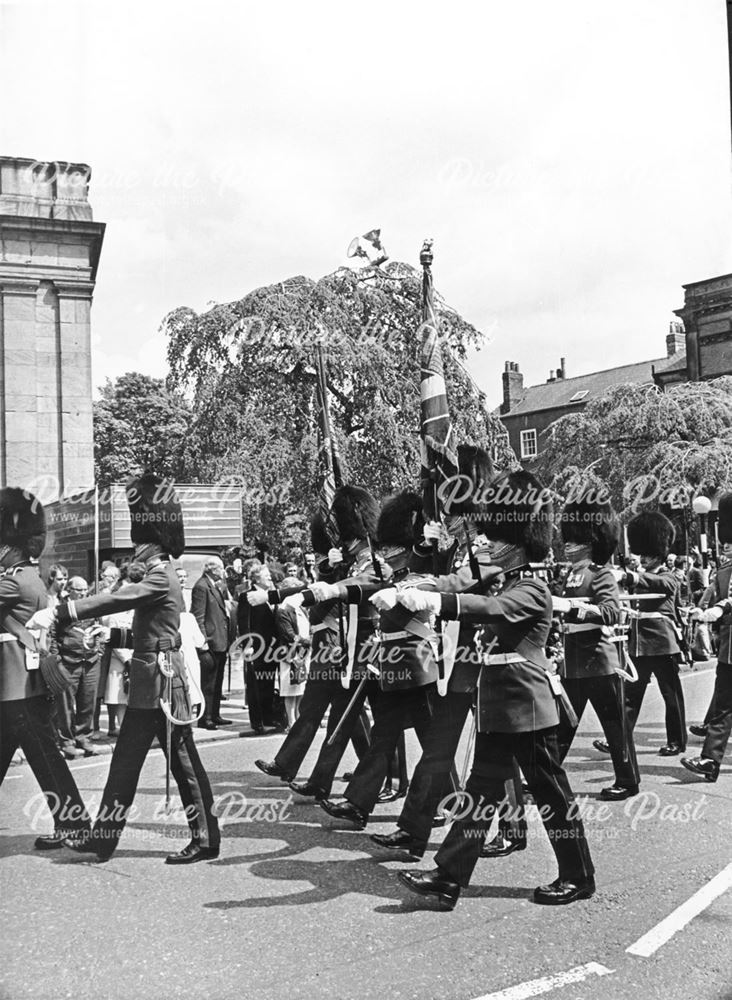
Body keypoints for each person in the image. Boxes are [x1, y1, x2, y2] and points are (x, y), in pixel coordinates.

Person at [397, 469, 596, 910]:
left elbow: (491, 607)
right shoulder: (511, 580)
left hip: (529, 708)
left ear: (520, 542)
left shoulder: (531, 589)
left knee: (551, 793)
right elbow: (479, 598)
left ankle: (579, 876)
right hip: (501, 708)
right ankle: (448, 877)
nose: (492, 546)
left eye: (499, 540)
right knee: (479, 790)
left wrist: (436, 601)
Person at [28, 474, 220, 864]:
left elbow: (117, 600)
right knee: (124, 765)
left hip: (165, 685)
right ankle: (103, 840)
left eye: (141, 540)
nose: (136, 546)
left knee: (183, 762)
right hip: (149, 684)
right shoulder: (157, 573)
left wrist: (62, 612)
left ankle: (206, 838)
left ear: (153, 540)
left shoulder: (160, 575)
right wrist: (111, 639)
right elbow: (146, 634)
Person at [253, 488, 380, 793]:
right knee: (344, 712)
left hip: (344, 641)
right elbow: (313, 584)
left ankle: (371, 770)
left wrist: (332, 568)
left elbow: (327, 591)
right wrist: (327, 565)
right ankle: (327, 777)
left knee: (340, 710)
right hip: (339, 641)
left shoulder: (366, 562)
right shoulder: (344, 560)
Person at [0, 488, 92, 850]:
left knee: (45, 757)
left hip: (17, 686)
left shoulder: (14, 579)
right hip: (16, 685)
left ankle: (76, 825)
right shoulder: (27, 576)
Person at [553, 497, 640, 800]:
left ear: (589, 540)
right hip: (573, 662)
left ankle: (628, 782)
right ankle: (547, 779)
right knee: (562, 723)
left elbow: (611, 613)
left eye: (575, 538)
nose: (567, 544)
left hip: (599, 661)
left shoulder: (600, 573)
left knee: (615, 726)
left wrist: (574, 609)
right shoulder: (569, 574)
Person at [615, 511, 686, 756]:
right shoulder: (641, 577)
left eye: (648, 555)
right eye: (642, 554)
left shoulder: (668, 576)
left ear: (659, 554)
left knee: (670, 695)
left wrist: (631, 576)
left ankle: (677, 741)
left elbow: (662, 586)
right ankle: (620, 738)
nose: (643, 559)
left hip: (662, 642)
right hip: (640, 644)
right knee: (631, 695)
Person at [682, 493, 732, 782]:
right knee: (723, 706)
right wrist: (698, 609)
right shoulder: (724, 570)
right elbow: (711, 597)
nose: (726, 546)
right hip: (729, 648)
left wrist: (716, 610)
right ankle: (710, 761)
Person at [55, 577, 103, 759]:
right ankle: (67, 740)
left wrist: (99, 651)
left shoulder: (92, 607)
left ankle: (83, 736)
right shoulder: (61, 609)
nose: (83, 593)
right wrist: (57, 658)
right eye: (79, 590)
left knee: (88, 702)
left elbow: (99, 629)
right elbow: (52, 634)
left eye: (85, 590)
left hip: (90, 661)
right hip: (68, 662)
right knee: (66, 703)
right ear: (69, 590)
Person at [238, 562, 281, 733]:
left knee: (269, 683)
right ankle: (258, 722)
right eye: (266, 575)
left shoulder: (271, 595)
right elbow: (244, 622)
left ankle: (269, 717)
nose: (270, 577)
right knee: (256, 685)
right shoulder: (246, 595)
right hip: (256, 647)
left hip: (272, 648)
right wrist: (247, 645)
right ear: (256, 577)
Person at [191, 556, 231, 730]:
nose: (223, 572)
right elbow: (198, 616)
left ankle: (215, 714)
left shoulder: (215, 586)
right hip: (211, 643)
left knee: (217, 681)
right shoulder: (201, 587)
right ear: (212, 569)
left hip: (221, 641)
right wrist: (203, 641)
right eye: (221, 568)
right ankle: (205, 717)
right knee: (208, 682)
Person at [273, 577, 311, 730]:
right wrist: (307, 641)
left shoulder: (299, 607)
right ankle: (291, 721)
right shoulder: (283, 609)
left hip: (303, 652)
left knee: (300, 686)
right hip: (290, 652)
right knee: (290, 688)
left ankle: (299, 717)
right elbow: (288, 633)